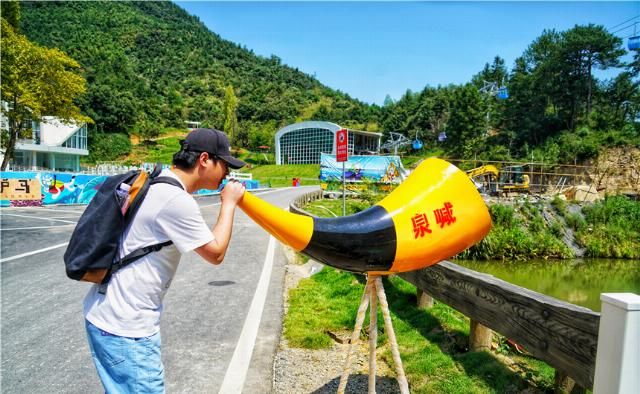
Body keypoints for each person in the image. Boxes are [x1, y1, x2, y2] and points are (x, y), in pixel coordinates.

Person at [83, 128, 246, 393]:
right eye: (225, 164)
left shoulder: (157, 183)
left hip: (106, 314)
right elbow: (216, 253)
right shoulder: (175, 199)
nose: (228, 172)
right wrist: (228, 204)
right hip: (127, 327)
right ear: (204, 159)